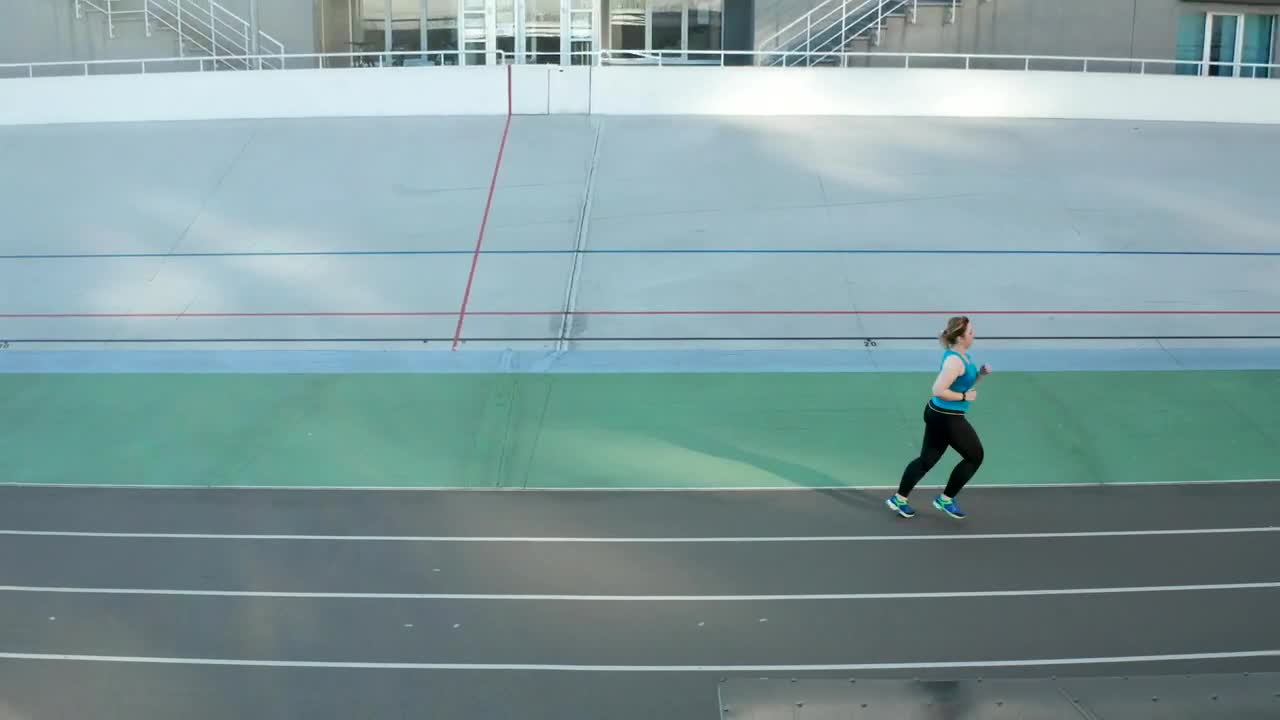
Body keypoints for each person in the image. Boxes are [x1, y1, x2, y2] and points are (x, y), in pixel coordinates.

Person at [886, 316, 991, 520]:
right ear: (960, 338)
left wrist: (980, 375)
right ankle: (945, 499)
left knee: (927, 459)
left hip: (939, 414)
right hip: (947, 418)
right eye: (970, 332)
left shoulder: (963, 356)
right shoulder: (954, 361)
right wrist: (964, 397)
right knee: (975, 456)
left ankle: (898, 499)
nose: (974, 335)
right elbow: (938, 390)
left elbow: (962, 384)